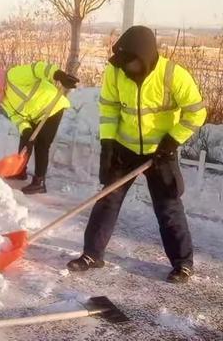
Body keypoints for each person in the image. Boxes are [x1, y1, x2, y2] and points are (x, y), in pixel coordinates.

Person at [67, 26, 206, 284]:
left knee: (168, 206)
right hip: (125, 147)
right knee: (107, 199)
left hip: (161, 152)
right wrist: (108, 144)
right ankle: (92, 254)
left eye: (130, 62)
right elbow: (108, 107)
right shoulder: (115, 70)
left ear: (144, 56)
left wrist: (173, 139)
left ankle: (183, 263)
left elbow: (196, 112)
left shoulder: (173, 74)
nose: (126, 68)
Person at [0, 62, 78, 194]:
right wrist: (26, 130)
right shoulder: (4, 98)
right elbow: (17, 117)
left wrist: (58, 75)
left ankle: (39, 182)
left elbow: (37, 69)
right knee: (26, 139)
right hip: (36, 116)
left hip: (52, 107)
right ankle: (20, 171)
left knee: (42, 143)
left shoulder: (13, 76)